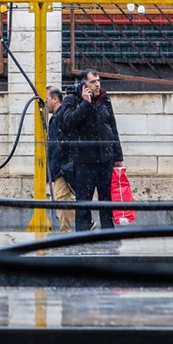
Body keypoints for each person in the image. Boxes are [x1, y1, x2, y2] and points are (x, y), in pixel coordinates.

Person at [60, 69, 123, 231]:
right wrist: (85, 104)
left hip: (105, 159)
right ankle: (82, 234)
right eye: (93, 82)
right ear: (83, 85)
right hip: (84, 161)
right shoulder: (71, 100)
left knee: (106, 201)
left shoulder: (104, 99)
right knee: (84, 202)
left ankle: (108, 233)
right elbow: (68, 123)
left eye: (98, 81)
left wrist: (118, 155)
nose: (97, 84)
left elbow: (112, 127)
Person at [46, 85, 76, 233]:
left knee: (61, 199)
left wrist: (57, 167)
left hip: (61, 167)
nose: (45, 104)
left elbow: (58, 145)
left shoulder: (60, 116)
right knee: (62, 199)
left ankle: (81, 223)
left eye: (47, 100)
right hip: (60, 166)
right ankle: (69, 229)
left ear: (55, 99)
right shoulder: (58, 116)